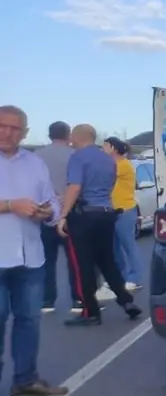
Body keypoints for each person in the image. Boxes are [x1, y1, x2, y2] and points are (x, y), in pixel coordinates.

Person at [0, 105, 71, 395]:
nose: (7, 132)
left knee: (29, 321)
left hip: (31, 258)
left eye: (15, 128)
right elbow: (13, 205)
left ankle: (25, 381)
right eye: (2, 126)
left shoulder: (35, 162)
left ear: (25, 132)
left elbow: (51, 199)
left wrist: (48, 212)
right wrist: (9, 205)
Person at [55, 124, 142, 327]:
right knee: (107, 261)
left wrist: (63, 215)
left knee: (81, 265)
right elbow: (109, 186)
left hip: (84, 216)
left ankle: (90, 312)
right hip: (106, 214)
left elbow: (75, 187)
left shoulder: (78, 157)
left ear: (76, 137)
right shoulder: (108, 159)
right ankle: (126, 302)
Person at [33, 121, 80, 314]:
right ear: (68, 135)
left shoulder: (36, 156)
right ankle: (78, 299)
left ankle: (47, 300)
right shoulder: (75, 155)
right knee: (75, 260)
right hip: (70, 214)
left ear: (49, 134)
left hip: (44, 213)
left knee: (46, 260)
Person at [103, 137, 142, 292]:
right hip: (111, 210)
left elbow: (106, 176)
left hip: (125, 210)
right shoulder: (113, 164)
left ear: (112, 147)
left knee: (128, 245)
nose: (102, 149)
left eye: (105, 146)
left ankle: (135, 278)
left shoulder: (123, 165)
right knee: (115, 247)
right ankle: (120, 276)